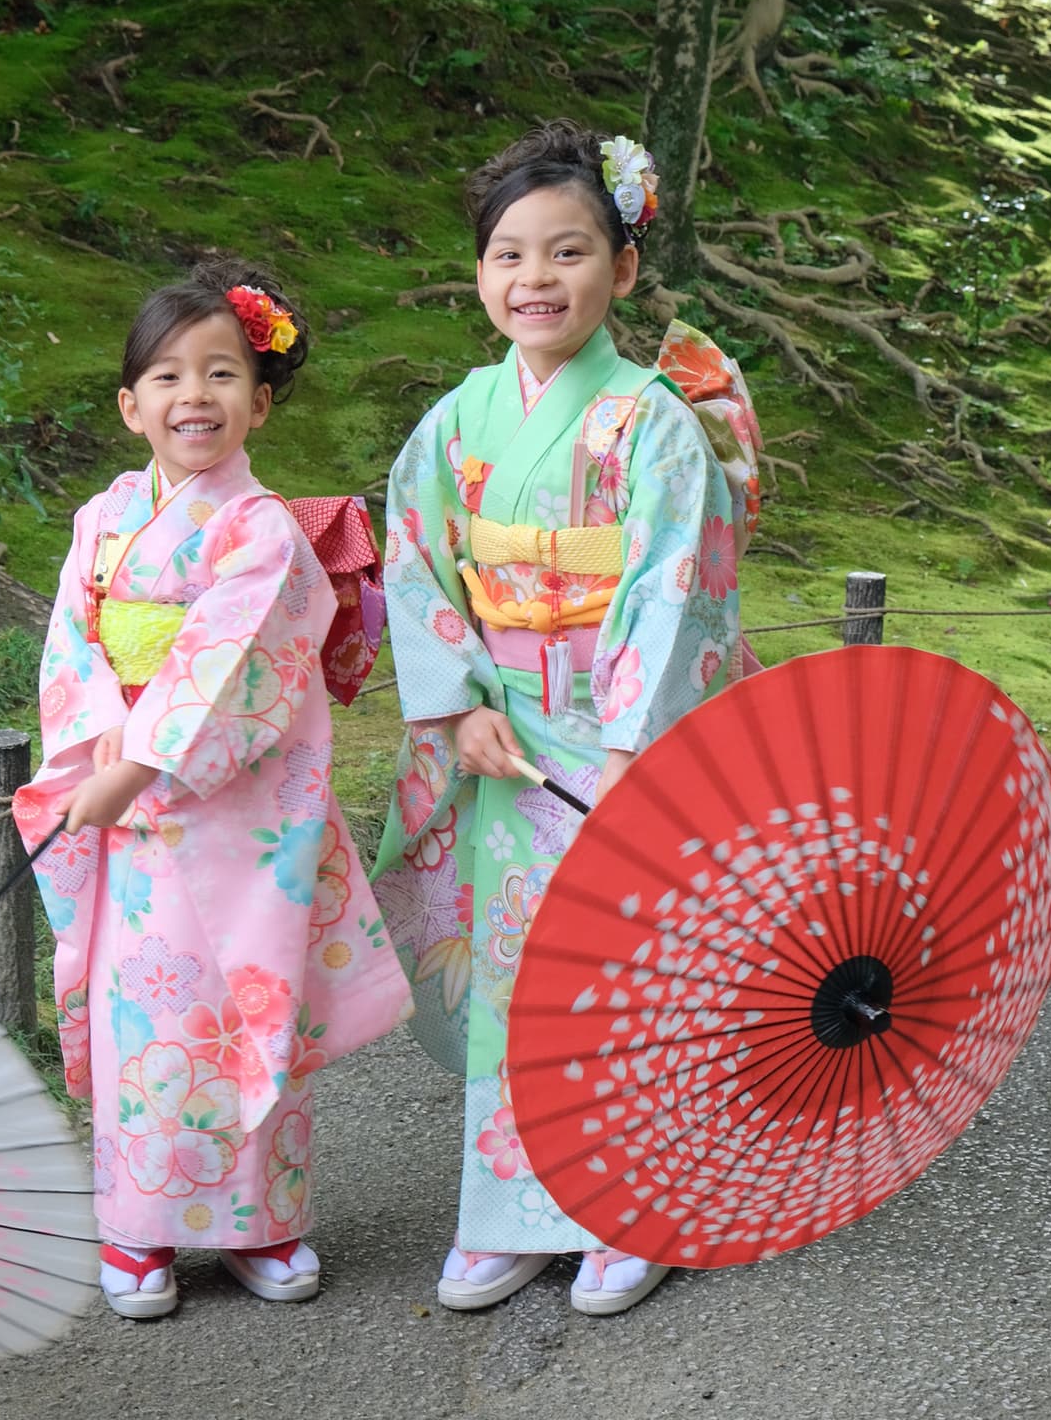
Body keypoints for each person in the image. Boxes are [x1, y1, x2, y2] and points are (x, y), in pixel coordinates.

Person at [370, 121, 742, 1316]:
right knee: (516, 977)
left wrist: (635, 744)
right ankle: (515, 1209)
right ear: (481, 276)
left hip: (619, 738)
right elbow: (420, 562)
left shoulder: (651, 423)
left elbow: (674, 585)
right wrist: (461, 703)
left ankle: (633, 1203)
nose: (535, 278)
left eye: (568, 251)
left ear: (623, 269)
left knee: (625, 970)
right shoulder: (460, 420)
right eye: (508, 255)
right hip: (504, 738)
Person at [14, 260, 413, 1319]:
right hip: (131, 815)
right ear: (131, 404)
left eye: (223, 374)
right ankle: (139, 1233)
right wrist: (104, 750)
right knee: (146, 1023)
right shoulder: (102, 521)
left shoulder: (261, 531)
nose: (196, 395)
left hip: (241, 817)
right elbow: (72, 647)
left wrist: (142, 762)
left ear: (261, 401)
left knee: (249, 1014)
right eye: (169, 375)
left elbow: (234, 663)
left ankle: (263, 1225)